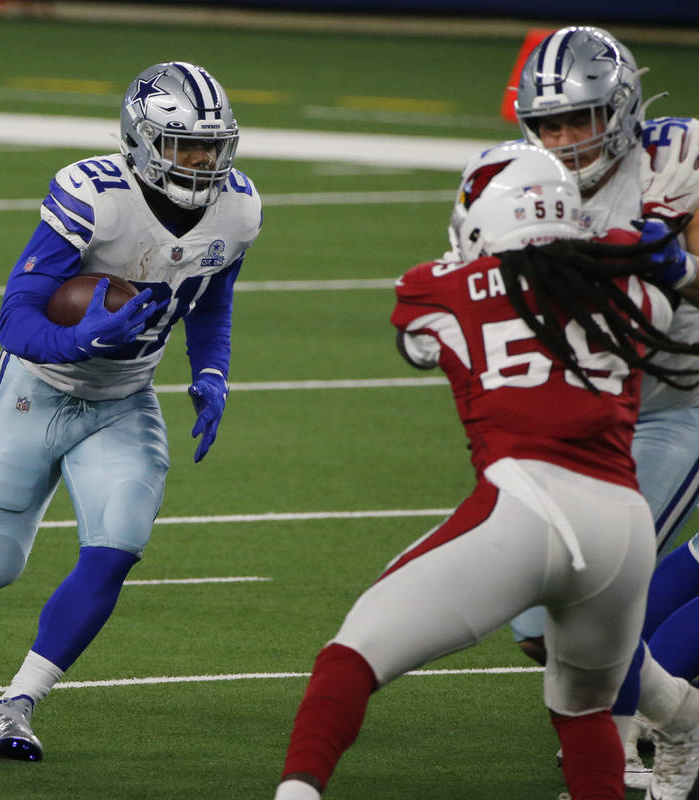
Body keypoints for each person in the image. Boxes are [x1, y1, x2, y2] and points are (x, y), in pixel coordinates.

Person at [275, 141, 699, 800]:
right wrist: (651, 244)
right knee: (583, 710)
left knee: (349, 658)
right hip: (621, 529)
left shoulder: (435, 289)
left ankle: (296, 793)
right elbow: (660, 300)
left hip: (525, 507)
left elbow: (417, 341)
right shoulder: (634, 287)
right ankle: (684, 721)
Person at [0, 61, 259, 760]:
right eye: (185, 146)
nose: (204, 161)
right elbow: (15, 318)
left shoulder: (238, 209)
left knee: (118, 545)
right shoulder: (94, 196)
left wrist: (212, 372)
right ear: (142, 141)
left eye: (212, 145)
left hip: (125, 399)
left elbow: (211, 296)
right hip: (37, 386)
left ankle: (15, 705)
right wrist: (82, 336)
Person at [508, 26, 699, 797]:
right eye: (549, 123)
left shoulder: (678, 158)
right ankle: (669, 713)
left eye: (579, 119)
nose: (563, 139)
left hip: (676, 405)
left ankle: (616, 750)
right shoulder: (519, 184)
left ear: (619, 109)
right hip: (585, 409)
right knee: (531, 620)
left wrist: (676, 266)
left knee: (596, 587)